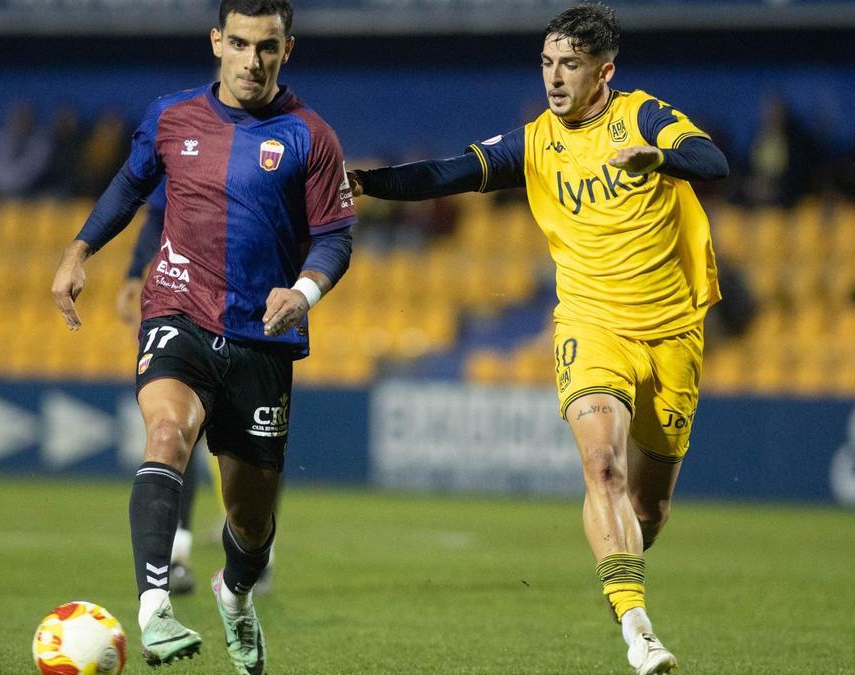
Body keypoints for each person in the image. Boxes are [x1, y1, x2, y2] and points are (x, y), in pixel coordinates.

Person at [349, 4, 727, 673]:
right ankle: (639, 630)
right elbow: (447, 173)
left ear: (604, 71)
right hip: (591, 322)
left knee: (649, 507)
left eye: (571, 64)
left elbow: (711, 159)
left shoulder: (640, 115)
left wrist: (660, 158)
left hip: (673, 331)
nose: (555, 77)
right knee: (602, 468)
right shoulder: (535, 141)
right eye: (548, 62)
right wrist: (364, 182)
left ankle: (620, 576)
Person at [51, 0, 356, 671]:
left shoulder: (312, 137)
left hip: (262, 340)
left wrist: (301, 292)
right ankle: (154, 606)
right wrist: (80, 249)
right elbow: (130, 189)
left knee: (250, 525)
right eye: (241, 43)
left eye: (267, 47)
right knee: (165, 433)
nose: (252, 60)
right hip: (177, 309)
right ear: (217, 41)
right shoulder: (171, 116)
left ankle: (234, 592)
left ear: (287, 49)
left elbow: (336, 237)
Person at [116, 179, 276, 597]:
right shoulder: (188, 143)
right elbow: (156, 215)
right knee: (179, 436)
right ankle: (176, 555)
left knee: (254, 452)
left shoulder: (274, 150)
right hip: (187, 312)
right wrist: (135, 272)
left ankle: (255, 556)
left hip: (249, 319)